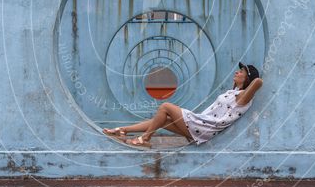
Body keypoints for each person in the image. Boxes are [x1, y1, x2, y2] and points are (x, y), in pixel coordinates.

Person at [103, 62, 263, 148]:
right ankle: (123, 130)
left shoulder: (243, 97)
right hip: (200, 125)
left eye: (241, 72)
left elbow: (258, 81)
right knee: (162, 120)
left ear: (247, 78)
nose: (237, 72)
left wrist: (250, 77)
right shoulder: (233, 93)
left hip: (205, 129)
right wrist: (241, 80)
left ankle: (145, 138)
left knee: (165, 106)